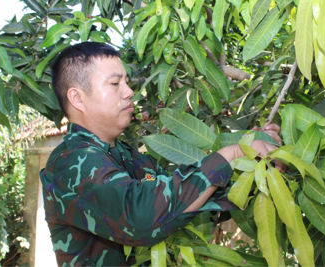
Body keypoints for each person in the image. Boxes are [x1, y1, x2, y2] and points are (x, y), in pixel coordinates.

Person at [39, 42, 285, 266]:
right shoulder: (69, 162)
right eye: (115, 84)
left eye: (127, 82)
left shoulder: (127, 157)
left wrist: (254, 161)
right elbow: (141, 217)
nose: (128, 92)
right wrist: (232, 152)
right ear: (77, 98)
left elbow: (189, 204)